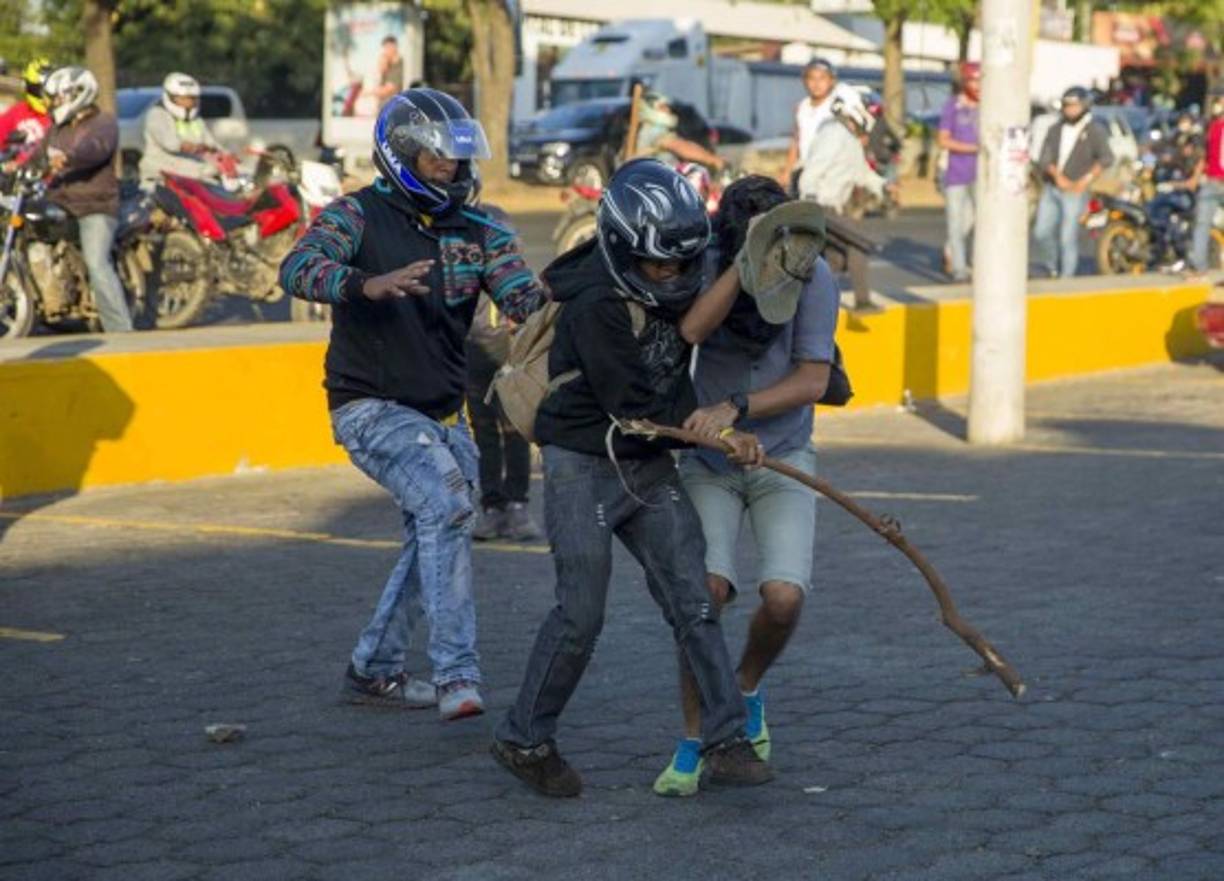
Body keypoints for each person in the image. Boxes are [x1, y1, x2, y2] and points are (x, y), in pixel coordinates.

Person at [491, 158, 774, 798]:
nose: (673, 277)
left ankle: (726, 738)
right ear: (623, 248)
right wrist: (720, 434)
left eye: (682, 264)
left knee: (694, 602)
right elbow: (636, 402)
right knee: (580, 615)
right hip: (583, 463)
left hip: (647, 461)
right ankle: (523, 737)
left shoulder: (685, 263)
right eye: (658, 267)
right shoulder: (594, 302)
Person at [278, 88, 549, 721]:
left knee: (435, 529)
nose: (451, 169)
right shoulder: (356, 215)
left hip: (444, 418)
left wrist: (552, 305)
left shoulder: (480, 229)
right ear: (401, 156)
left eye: (457, 159)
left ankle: (373, 670)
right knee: (451, 506)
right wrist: (362, 284)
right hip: (370, 407)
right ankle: (457, 675)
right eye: (436, 159)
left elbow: (521, 298)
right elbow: (297, 268)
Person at [652, 177, 838, 797]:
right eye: (761, 236)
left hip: (782, 453)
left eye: (780, 234)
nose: (775, 250)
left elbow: (813, 379)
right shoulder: (707, 264)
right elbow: (691, 333)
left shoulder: (814, 276)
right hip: (709, 460)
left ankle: (747, 688)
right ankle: (692, 737)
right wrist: (739, 263)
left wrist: (739, 406)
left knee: (784, 596)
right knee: (706, 593)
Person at [43, 66, 132, 333]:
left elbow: (95, 149)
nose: (55, 103)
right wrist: (13, 166)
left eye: (60, 97)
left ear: (79, 94)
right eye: (54, 98)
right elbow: (38, 154)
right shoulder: (57, 129)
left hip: (95, 204)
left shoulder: (102, 123)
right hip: (62, 201)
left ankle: (121, 330)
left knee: (97, 262)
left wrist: (68, 158)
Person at [465, 288, 544, 542]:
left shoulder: (512, 275)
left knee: (516, 430)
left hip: (512, 360)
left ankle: (517, 505)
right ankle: (492, 506)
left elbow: (535, 310)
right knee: (484, 434)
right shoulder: (465, 272)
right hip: (474, 358)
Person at [1033, 86, 1113, 278]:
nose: (1070, 110)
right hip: (1053, 187)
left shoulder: (1094, 130)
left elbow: (1106, 158)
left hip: (1076, 191)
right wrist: (1057, 176)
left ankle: (1066, 276)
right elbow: (1044, 159)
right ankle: (1051, 265)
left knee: (1067, 236)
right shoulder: (1055, 129)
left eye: (1075, 106)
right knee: (1040, 232)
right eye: (1067, 105)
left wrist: (1084, 181)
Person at [796, 90, 888, 214]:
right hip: (822, 206)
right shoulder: (833, 132)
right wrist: (811, 204)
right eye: (869, 109)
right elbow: (811, 174)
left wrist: (882, 186)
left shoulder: (851, 137)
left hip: (833, 209)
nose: (873, 115)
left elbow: (861, 172)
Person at [780, 57, 862, 194]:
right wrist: (787, 171)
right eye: (812, 78)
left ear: (832, 81)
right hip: (806, 166)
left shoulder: (838, 106)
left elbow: (854, 138)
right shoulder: (801, 107)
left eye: (822, 78)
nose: (816, 83)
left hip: (831, 171)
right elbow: (796, 140)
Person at [139, 72, 224, 186]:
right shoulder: (157, 115)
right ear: (171, 97)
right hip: (161, 178)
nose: (189, 103)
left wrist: (224, 155)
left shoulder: (195, 119)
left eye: (193, 99)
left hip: (191, 175)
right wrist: (196, 147)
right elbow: (171, 144)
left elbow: (212, 143)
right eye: (184, 99)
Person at [937, 62, 981, 282]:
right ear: (965, 82)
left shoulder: (990, 105)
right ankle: (959, 269)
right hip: (956, 174)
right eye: (974, 80)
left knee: (977, 222)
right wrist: (974, 149)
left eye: (981, 80)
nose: (978, 85)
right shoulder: (952, 106)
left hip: (982, 176)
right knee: (955, 222)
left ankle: (965, 258)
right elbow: (943, 139)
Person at [633, 90, 726, 173]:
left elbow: (687, 145)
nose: (668, 110)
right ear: (650, 109)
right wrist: (711, 160)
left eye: (667, 106)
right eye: (662, 107)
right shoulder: (652, 130)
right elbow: (679, 146)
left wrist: (708, 155)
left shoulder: (651, 128)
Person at [1190, 89, 1224, 274]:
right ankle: (1199, 266)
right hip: (1212, 181)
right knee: (1202, 223)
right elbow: (1204, 154)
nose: (1217, 105)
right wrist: (1195, 177)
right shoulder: (1212, 126)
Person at [0, 58, 53, 166]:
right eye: (38, 89)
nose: (43, 95)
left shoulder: (58, 115)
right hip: (16, 176)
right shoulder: (20, 110)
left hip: (46, 175)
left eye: (46, 90)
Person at [374, 36, 405, 108]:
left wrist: (369, 92)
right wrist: (382, 69)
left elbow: (388, 90)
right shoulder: (388, 65)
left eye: (387, 48)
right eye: (385, 48)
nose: (385, 51)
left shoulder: (398, 65)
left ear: (394, 47)